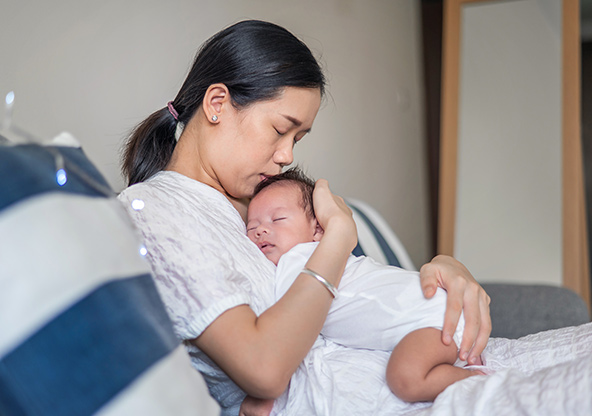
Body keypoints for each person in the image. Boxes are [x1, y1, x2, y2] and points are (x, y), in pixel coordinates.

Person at [117, 19, 491, 415]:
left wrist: (444, 269)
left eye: (297, 139)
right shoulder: (156, 211)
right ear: (217, 105)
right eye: (281, 129)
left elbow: (362, 301)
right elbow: (263, 368)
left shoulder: (259, 206)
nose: (287, 156)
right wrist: (338, 238)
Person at [246, 168, 484, 403]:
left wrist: (265, 396)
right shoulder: (300, 264)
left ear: (318, 229)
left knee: (405, 379)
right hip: (437, 312)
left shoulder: (302, 260)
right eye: (251, 227)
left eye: (277, 219)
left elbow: (292, 334)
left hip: (433, 319)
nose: (261, 230)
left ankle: (474, 380)